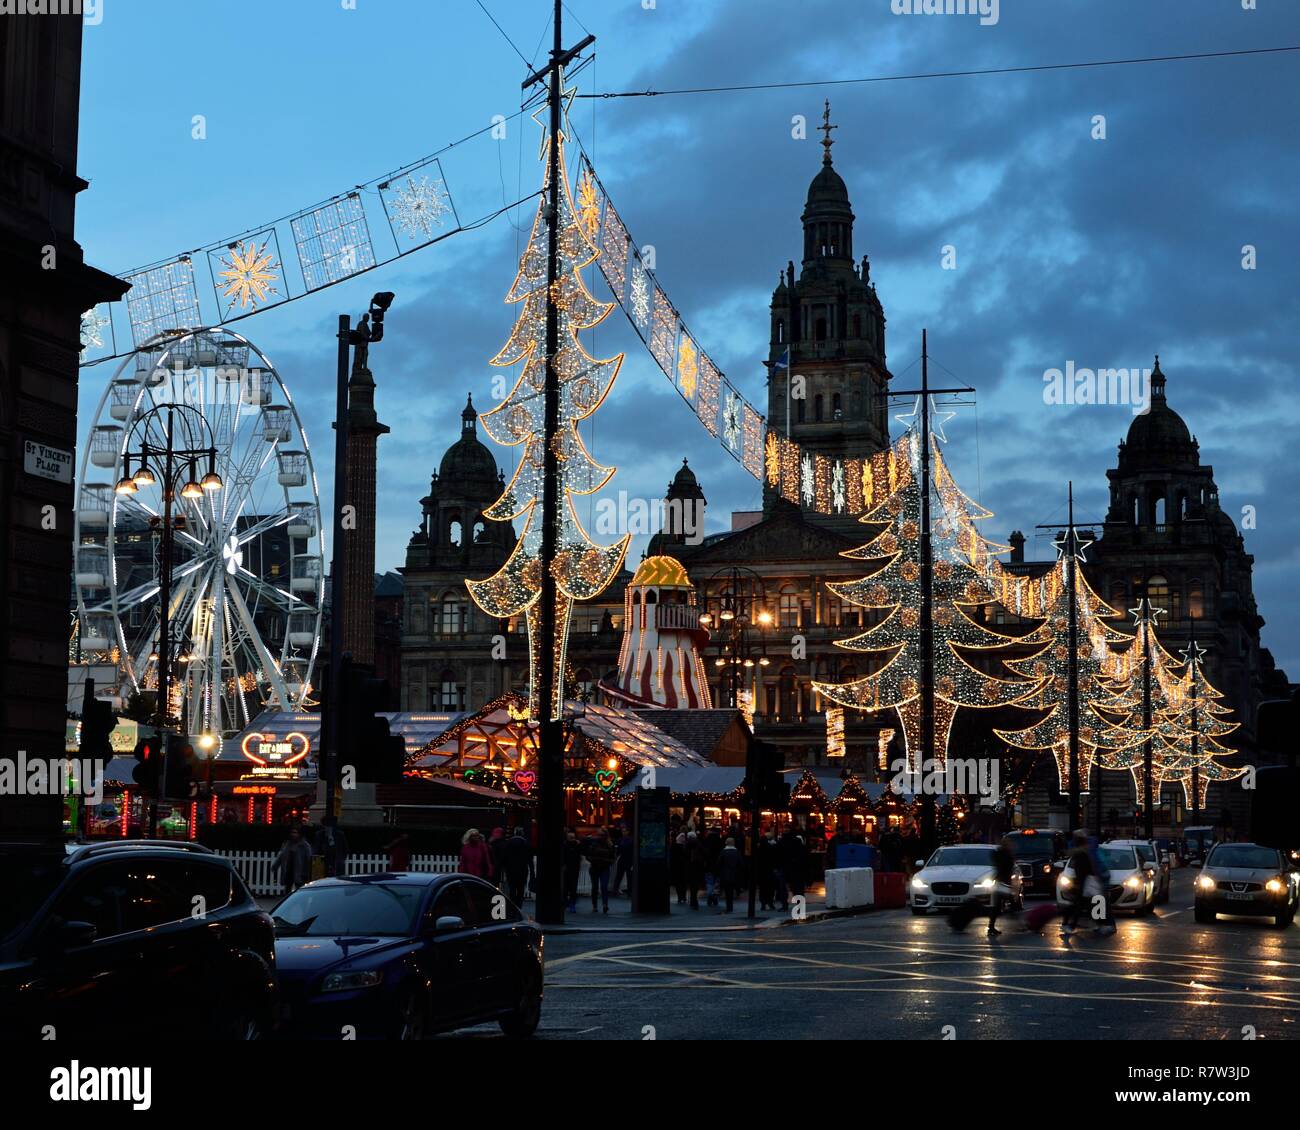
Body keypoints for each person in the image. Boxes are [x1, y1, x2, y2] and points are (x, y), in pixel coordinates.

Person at [1061, 829, 1095, 937]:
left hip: (1081, 882)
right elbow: (1085, 869)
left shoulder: (1078, 853)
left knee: (1079, 904)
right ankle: (1069, 925)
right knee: (1078, 905)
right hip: (1082, 882)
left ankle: (1068, 923)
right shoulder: (1082, 854)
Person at [986, 836, 1017, 937]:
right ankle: (1017, 924)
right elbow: (1005, 867)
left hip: (1002, 881)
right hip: (1002, 882)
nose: (1011, 845)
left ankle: (991, 927)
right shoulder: (1004, 854)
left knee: (998, 906)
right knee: (1009, 903)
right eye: (1009, 843)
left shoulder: (1001, 853)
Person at [272, 826, 312, 896]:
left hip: (300, 871)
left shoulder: (305, 845)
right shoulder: (287, 844)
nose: (293, 834)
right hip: (288, 869)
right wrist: (275, 866)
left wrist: (308, 871)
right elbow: (281, 855)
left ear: (300, 834)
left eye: (295, 833)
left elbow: (309, 858)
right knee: (287, 888)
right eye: (292, 832)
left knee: (299, 888)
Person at [503, 826, 534, 907]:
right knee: (520, 889)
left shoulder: (508, 843)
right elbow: (530, 860)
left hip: (510, 870)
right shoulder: (526, 843)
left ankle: (513, 906)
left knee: (512, 889)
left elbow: (504, 857)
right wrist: (532, 872)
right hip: (522, 870)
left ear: (514, 832)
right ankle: (519, 906)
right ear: (522, 833)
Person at [585, 828, 614, 913]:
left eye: (602, 835)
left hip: (602, 867)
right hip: (596, 867)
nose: (600, 837)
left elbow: (612, 857)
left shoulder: (609, 844)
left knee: (603, 886)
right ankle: (596, 905)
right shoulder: (595, 843)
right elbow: (588, 855)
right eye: (599, 835)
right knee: (596, 887)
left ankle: (604, 905)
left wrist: (598, 859)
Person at [717, 836, 744, 913]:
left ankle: (728, 906)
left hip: (725, 874)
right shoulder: (737, 852)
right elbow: (741, 864)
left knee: (727, 891)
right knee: (731, 891)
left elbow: (719, 863)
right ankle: (730, 906)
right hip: (734, 874)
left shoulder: (723, 852)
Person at [562, 827, 583, 912]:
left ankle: (571, 904)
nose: (571, 836)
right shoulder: (564, 845)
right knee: (566, 887)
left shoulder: (577, 845)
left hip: (573, 868)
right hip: (568, 868)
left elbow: (579, 855)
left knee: (572, 888)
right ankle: (567, 903)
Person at [757, 828, 778, 910]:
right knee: (770, 888)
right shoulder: (771, 848)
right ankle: (770, 902)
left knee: (762, 888)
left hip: (761, 871)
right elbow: (774, 858)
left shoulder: (759, 849)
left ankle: (763, 903)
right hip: (769, 870)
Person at [611, 824, 634, 897]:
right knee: (619, 876)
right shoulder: (620, 840)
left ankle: (629, 892)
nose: (623, 832)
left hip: (629, 859)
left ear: (628, 832)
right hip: (623, 859)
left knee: (629, 877)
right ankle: (615, 891)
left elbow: (633, 851)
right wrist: (615, 856)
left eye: (625, 831)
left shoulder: (631, 840)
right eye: (623, 831)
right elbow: (617, 851)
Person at [703, 826, 723, 907]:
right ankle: (714, 896)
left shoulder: (706, 840)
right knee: (717, 881)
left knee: (709, 881)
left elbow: (704, 852)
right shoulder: (719, 840)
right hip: (717, 864)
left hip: (708, 864)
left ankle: (709, 894)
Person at [686, 831, 705, 910]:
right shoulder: (699, 844)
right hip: (697, 866)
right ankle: (694, 900)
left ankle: (692, 900)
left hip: (689, 867)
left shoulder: (687, 845)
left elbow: (684, 855)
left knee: (691, 884)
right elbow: (704, 853)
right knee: (695, 884)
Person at [670, 832, 688, 905]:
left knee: (678, 883)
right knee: (683, 883)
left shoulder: (674, 846)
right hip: (683, 867)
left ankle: (680, 897)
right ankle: (683, 896)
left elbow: (672, 858)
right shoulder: (685, 847)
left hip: (676, 867)